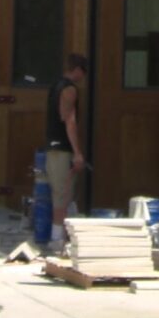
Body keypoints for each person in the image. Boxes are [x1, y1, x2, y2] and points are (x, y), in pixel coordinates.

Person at [41, 53, 89, 238]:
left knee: (59, 194)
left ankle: (58, 236)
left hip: (52, 146)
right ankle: (56, 239)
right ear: (77, 70)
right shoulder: (69, 89)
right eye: (83, 72)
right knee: (62, 195)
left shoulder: (55, 86)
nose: (83, 77)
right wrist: (77, 152)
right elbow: (69, 120)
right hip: (61, 149)